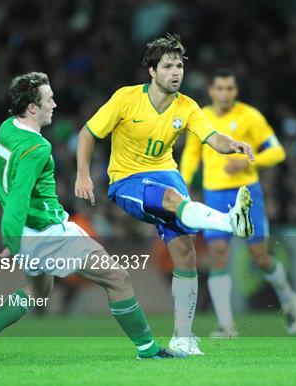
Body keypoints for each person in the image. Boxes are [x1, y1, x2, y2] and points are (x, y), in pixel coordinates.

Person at [0, 72, 183, 362]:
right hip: (48, 233)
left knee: (39, 291)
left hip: (27, 235)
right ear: (32, 107)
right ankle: (148, 351)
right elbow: (17, 200)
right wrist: (8, 245)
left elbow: (6, 187)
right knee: (118, 278)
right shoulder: (38, 149)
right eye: (49, 99)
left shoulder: (7, 129)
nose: (55, 104)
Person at [75, 33, 255, 355]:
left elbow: (213, 138)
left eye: (180, 66)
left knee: (186, 254)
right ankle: (231, 222)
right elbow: (88, 133)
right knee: (175, 199)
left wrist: (235, 146)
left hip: (166, 174)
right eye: (168, 66)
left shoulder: (187, 106)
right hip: (128, 180)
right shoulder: (126, 99)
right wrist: (83, 174)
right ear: (152, 71)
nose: (176, 72)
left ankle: (182, 338)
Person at [180, 68, 296, 337]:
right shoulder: (201, 117)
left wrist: (248, 160)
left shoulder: (250, 116)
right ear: (211, 91)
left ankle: (287, 297)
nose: (225, 94)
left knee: (260, 258)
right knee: (217, 256)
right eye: (220, 89)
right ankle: (226, 325)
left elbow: (277, 151)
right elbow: (191, 152)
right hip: (214, 195)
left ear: (236, 91)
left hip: (247, 193)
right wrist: (184, 182)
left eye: (230, 89)